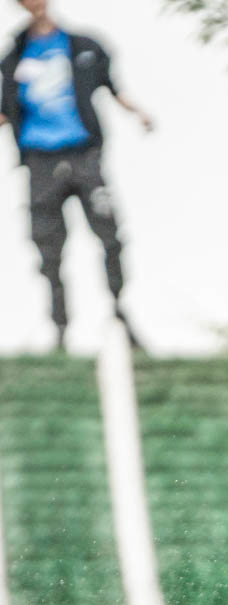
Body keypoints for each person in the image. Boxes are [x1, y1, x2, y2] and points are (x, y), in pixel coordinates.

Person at [0, 0, 153, 349]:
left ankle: (119, 313)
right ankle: (59, 329)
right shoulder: (13, 56)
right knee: (48, 246)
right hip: (40, 161)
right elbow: (5, 110)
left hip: (84, 155)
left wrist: (139, 113)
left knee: (110, 235)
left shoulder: (85, 46)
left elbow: (114, 88)